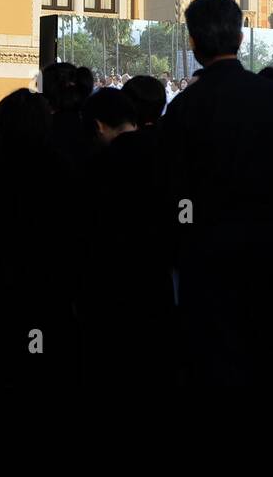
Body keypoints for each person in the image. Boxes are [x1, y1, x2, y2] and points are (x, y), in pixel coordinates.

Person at [161, 0, 273, 385]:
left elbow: (171, 192)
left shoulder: (184, 109)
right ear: (237, 36)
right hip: (271, 260)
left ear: (195, 43)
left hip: (207, 267)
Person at [0, 89, 76, 388]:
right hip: (49, 288)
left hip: (0, 287)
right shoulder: (64, 170)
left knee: (1, 364)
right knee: (41, 362)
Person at [78, 88, 176, 387]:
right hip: (158, 282)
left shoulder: (96, 166)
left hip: (109, 289)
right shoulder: (171, 156)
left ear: (97, 126)